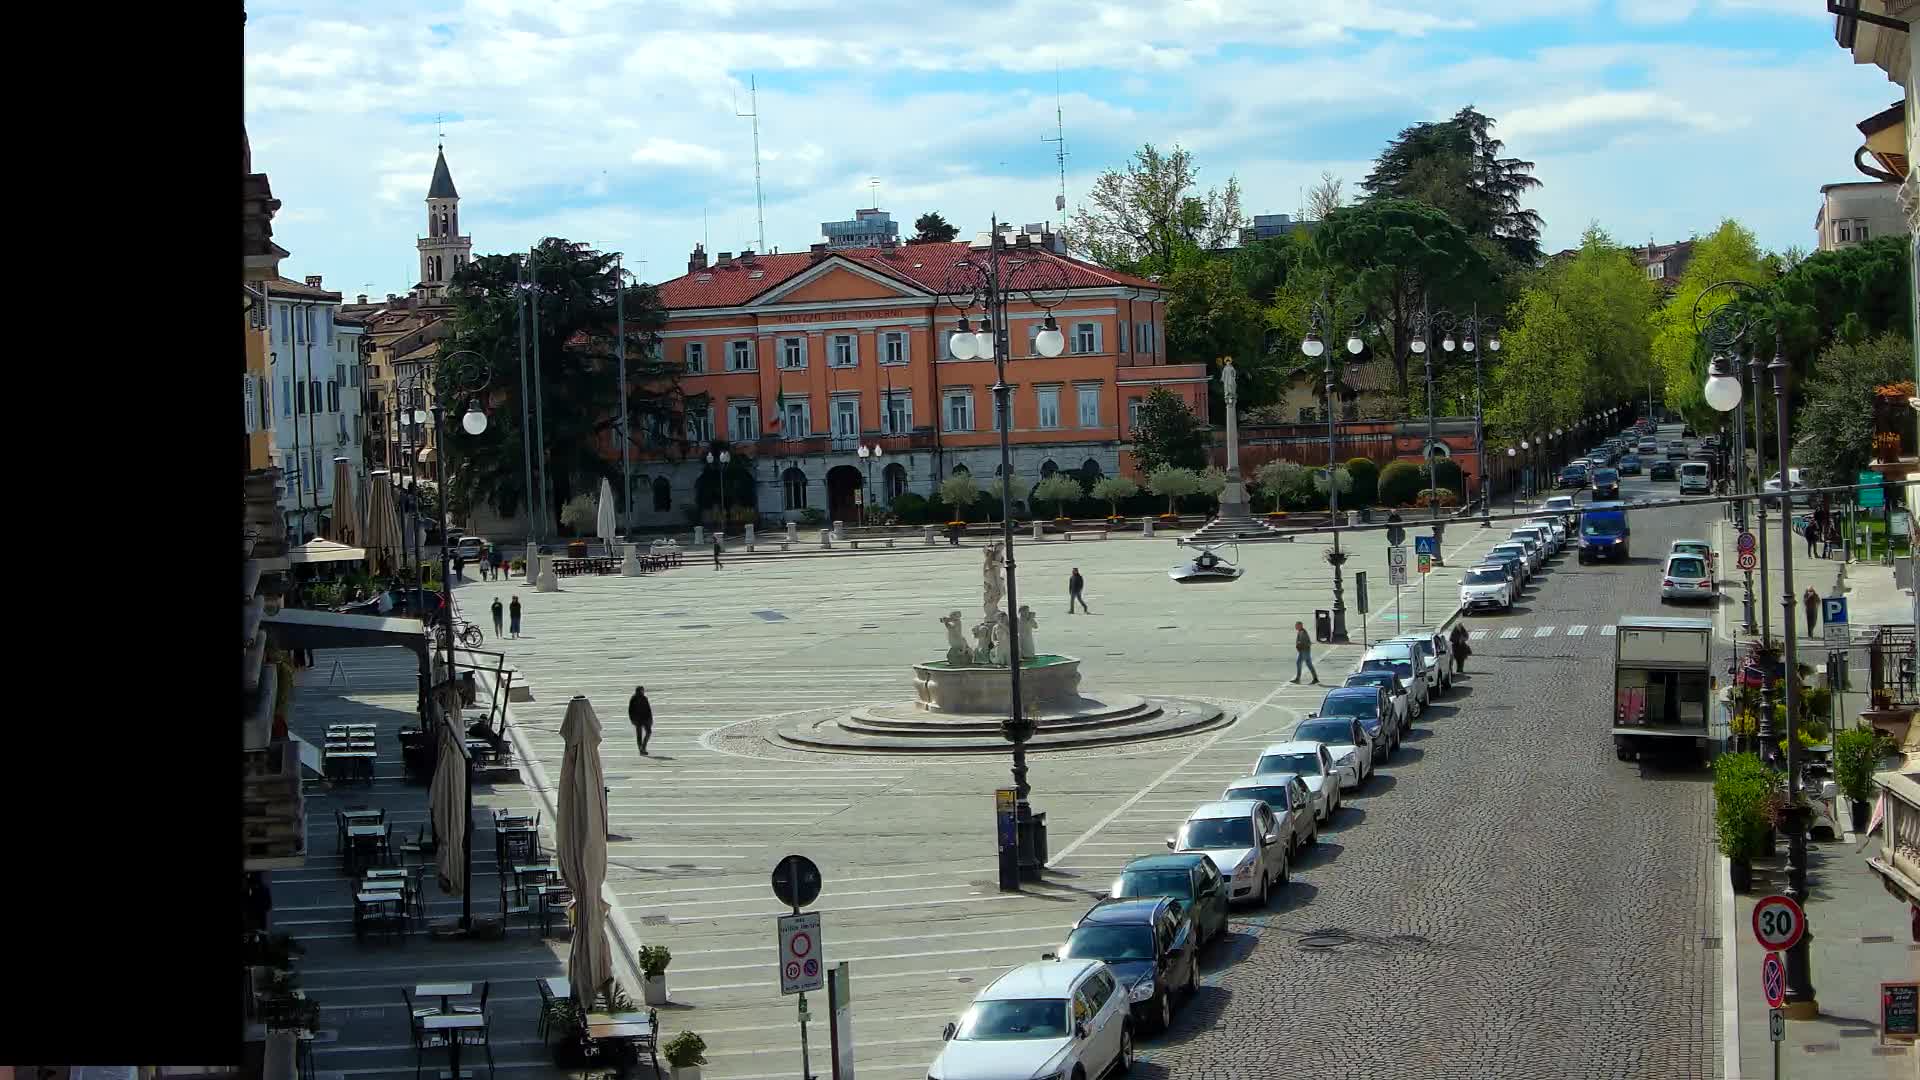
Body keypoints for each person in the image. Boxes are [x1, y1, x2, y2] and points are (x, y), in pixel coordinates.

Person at [629, 685, 654, 756]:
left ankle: (643, 747)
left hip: (645, 719)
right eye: (642, 690)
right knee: (639, 735)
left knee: (649, 732)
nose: (643, 692)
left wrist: (650, 719)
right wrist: (632, 719)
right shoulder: (633, 699)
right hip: (638, 720)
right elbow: (630, 710)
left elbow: (649, 709)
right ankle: (641, 749)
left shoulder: (644, 698)